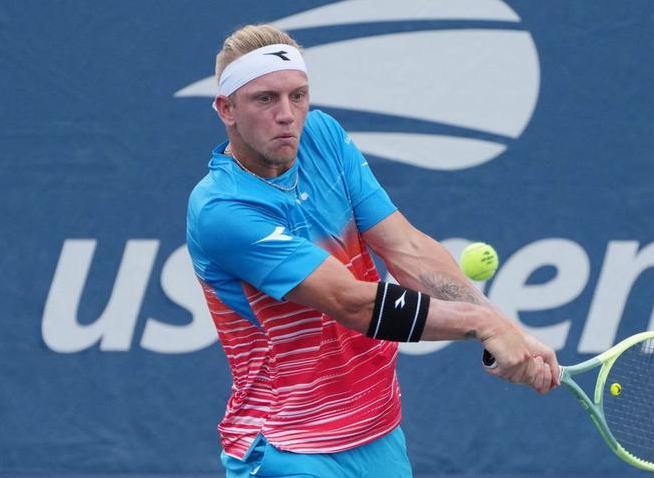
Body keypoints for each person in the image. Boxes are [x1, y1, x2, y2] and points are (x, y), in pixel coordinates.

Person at [186, 24, 560, 478]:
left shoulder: (322, 137)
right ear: (226, 108)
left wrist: (507, 329)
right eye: (265, 99)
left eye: (298, 96)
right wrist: (482, 325)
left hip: (378, 430)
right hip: (285, 446)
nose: (287, 114)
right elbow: (351, 301)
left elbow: (406, 248)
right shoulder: (221, 209)